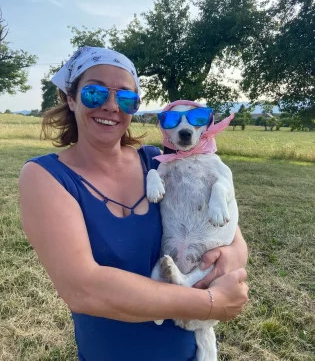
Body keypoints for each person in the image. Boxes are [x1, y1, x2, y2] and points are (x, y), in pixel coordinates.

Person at [19, 46, 248, 361]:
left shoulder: (156, 161)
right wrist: (209, 303)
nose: (111, 106)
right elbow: (84, 289)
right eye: (95, 93)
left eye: (126, 98)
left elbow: (234, 239)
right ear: (71, 98)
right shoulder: (46, 177)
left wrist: (229, 259)